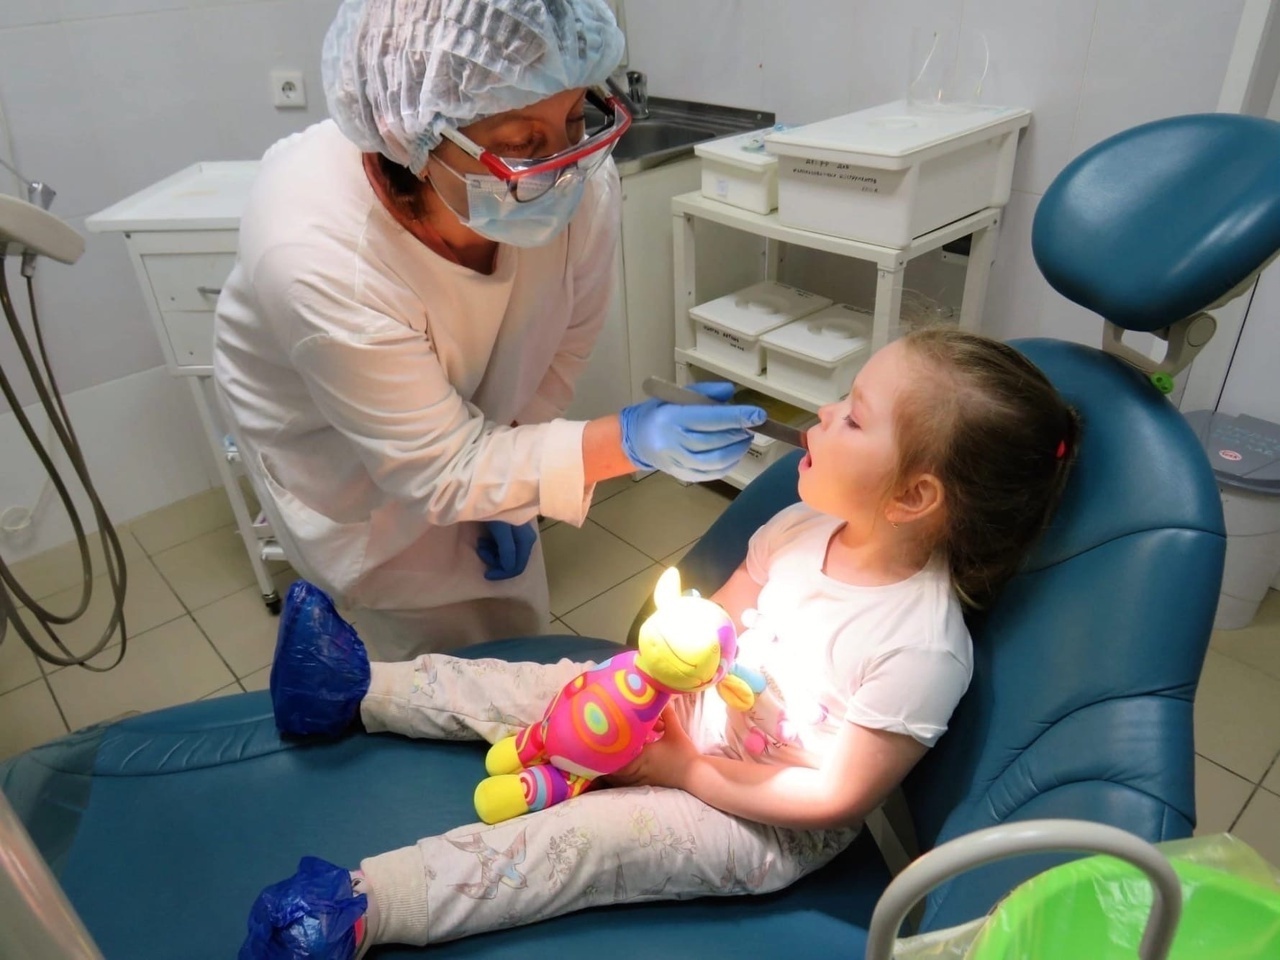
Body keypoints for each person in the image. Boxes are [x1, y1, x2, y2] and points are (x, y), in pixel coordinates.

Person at [238, 328, 1082, 958]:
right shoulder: (800, 527)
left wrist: (680, 770)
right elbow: (713, 623)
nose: (824, 415)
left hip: (762, 820)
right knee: (552, 683)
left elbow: (832, 798)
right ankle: (353, 689)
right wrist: (645, 683)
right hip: (690, 723)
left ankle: (365, 908)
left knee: (586, 843)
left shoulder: (919, 647)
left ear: (913, 497)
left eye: (854, 417)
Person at [212, 0, 765, 660]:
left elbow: (561, 347)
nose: (563, 163)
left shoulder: (577, 183)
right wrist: (626, 443)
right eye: (521, 144)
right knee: (421, 660)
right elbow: (440, 468)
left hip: (458, 445)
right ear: (412, 137)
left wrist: (513, 486)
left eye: (574, 117)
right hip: (351, 470)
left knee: (512, 622)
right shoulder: (316, 252)